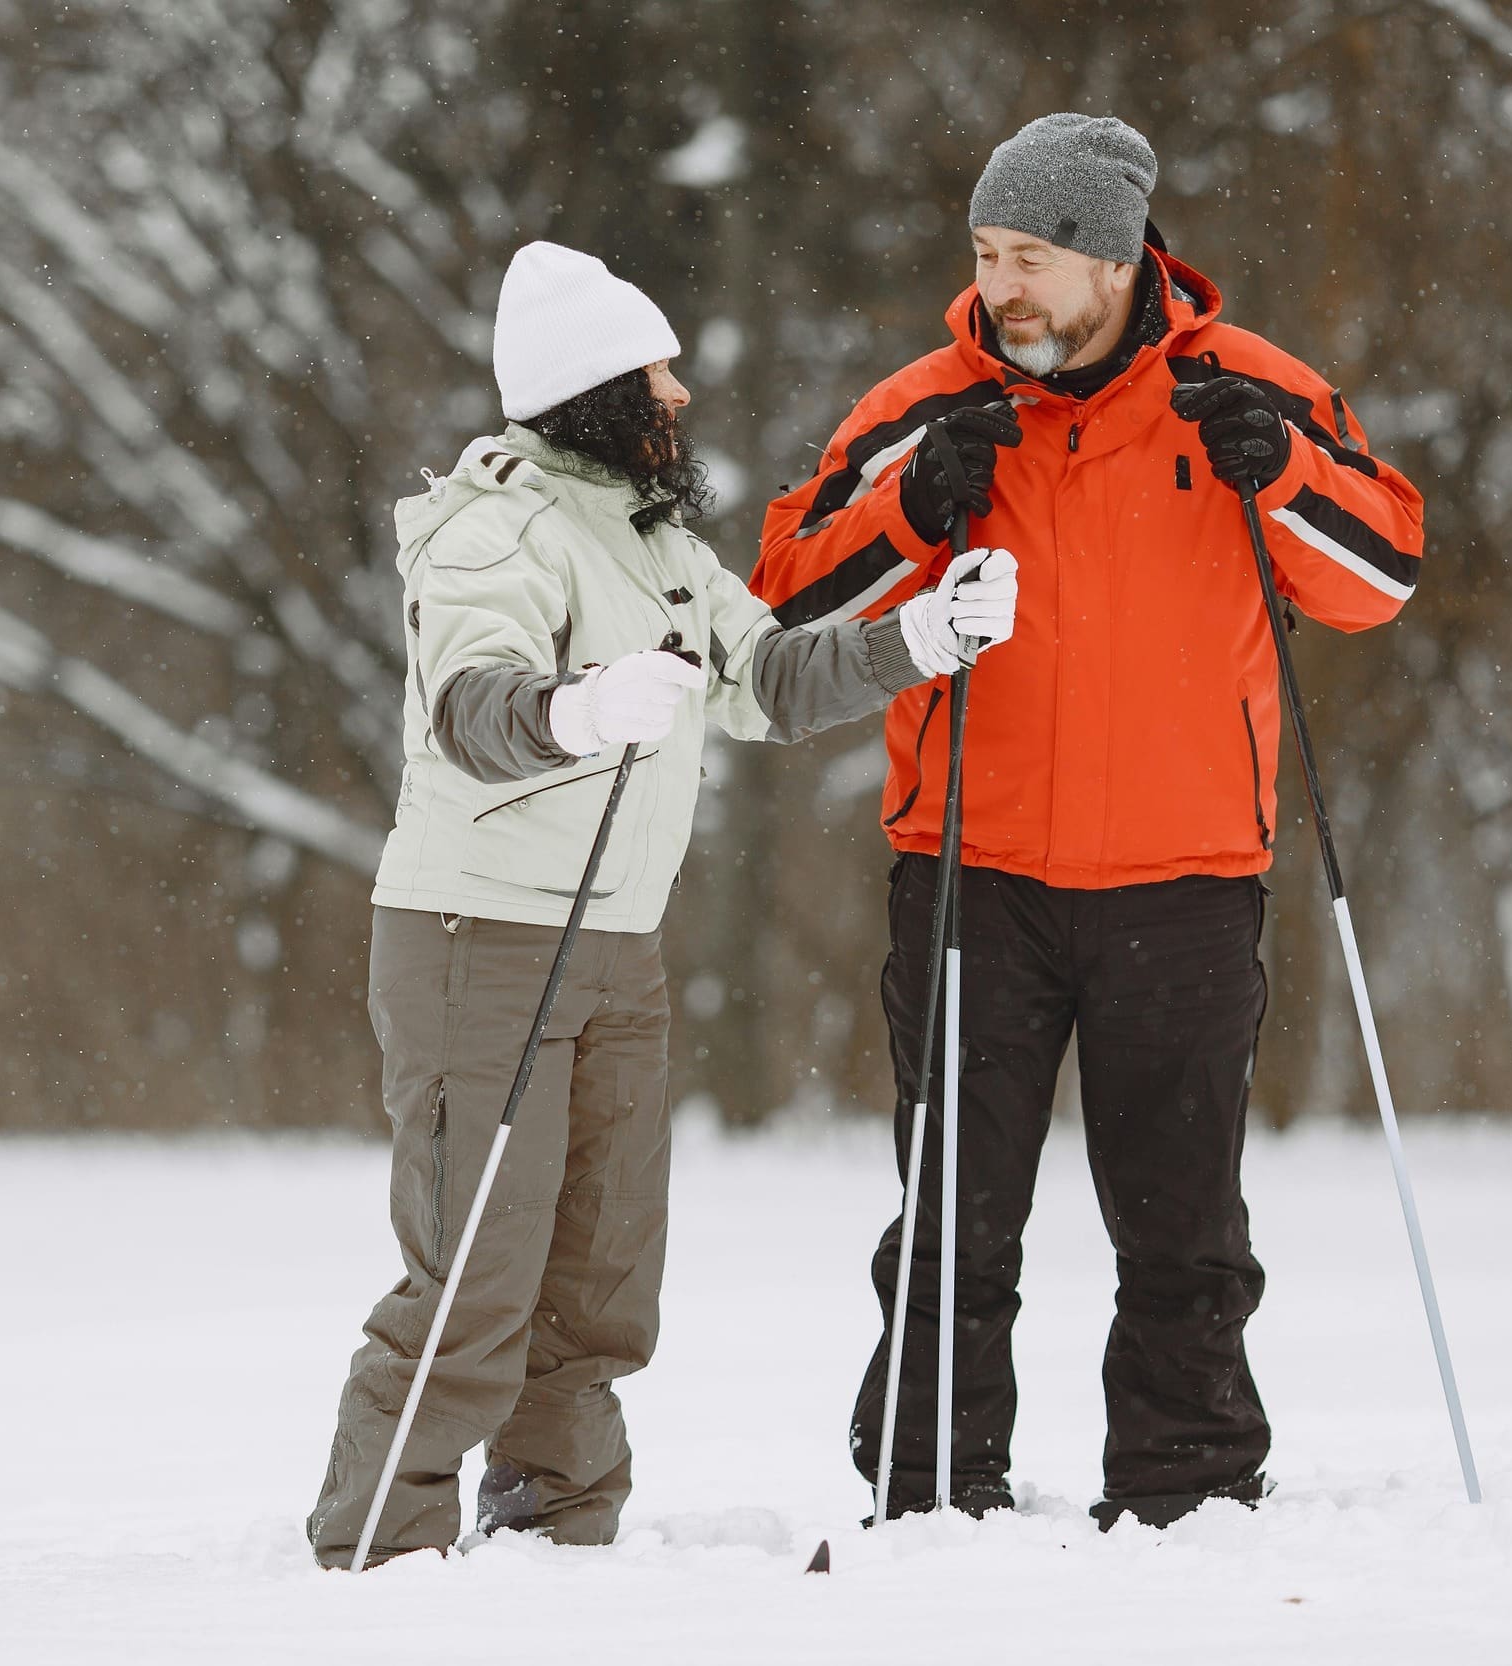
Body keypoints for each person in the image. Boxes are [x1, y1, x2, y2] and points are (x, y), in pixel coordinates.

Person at [749, 113, 1425, 1530]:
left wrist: (1285, 474)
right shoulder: (923, 410)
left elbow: (1384, 573)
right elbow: (785, 602)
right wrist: (914, 516)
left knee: (1182, 1224)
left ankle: (1185, 1487)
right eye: (988, 254)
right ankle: (933, 1482)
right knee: (954, 1215)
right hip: (971, 877)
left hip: (1186, 881)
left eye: (1035, 258)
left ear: (1116, 260)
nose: (1005, 288)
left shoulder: (1250, 392)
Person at [307, 241, 1018, 1569]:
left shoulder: (658, 540)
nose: (682, 393)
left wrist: (922, 636)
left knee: (598, 1277)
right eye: (659, 370)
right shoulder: (493, 525)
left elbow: (771, 679)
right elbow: (470, 708)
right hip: (479, 940)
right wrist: (572, 710)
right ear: (595, 387)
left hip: (614, 947)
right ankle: (377, 1551)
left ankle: (555, 1529)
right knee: (478, 1267)